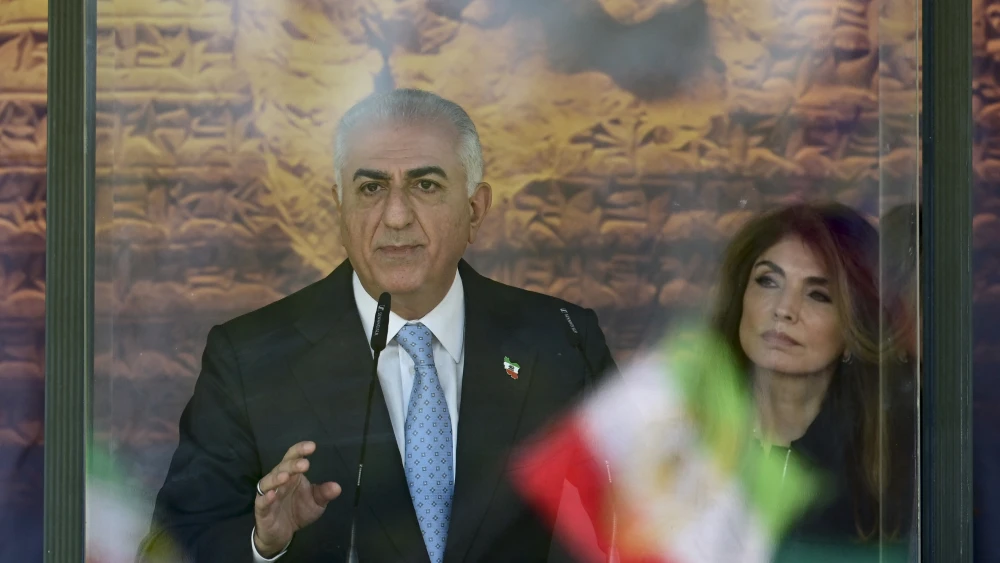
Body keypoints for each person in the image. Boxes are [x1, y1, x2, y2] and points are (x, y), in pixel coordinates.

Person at [138, 88, 618, 563]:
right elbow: (169, 548)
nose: (396, 215)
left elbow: (647, 515)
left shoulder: (561, 340)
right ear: (340, 209)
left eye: (424, 185)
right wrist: (263, 544)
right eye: (371, 188)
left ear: (475, 209)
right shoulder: (250, 357)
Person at [709, 202, 913, 558]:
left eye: (818, 294)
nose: (784, 309)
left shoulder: (896, 456)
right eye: (768, 281)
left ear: (855, 326)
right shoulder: (686, 436)